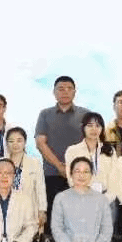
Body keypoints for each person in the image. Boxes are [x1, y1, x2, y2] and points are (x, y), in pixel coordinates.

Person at [34, 76, 91, 231]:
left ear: (75, 92)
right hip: (52, 174)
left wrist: (73, 169)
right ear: (54, 92)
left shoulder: (85, 114)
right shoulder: (45, 114)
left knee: (79, 220)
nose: (65, 92)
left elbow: (91, 142)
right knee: (54, 220)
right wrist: (59, 166)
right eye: (60, 89)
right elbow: (40, 143)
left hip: (80, 177)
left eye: (69, 89)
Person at [5, 127, 47, 242]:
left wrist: (42, 210)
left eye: (19, 140)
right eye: (11, 141)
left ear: (25, 142)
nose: (15, 144)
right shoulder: (2, 162)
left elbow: (40, 188)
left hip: (31, 215)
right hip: (8, 215)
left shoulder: (34, 162)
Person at [64, 112, 117, 195]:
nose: (94, 129)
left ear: (102, 129)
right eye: (90, 125)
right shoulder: (72, 151)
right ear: (83, 128)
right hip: (81, 196)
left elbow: (115, 178)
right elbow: (71, 179)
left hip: (106, 197)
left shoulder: (110, 150)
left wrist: (106, 199)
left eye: (97, 126)